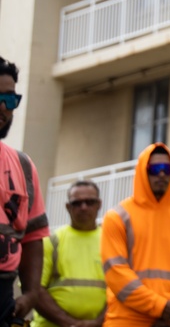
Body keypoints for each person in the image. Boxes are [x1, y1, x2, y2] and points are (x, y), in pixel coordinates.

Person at [101, 144, 170, 327]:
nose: (162, 174)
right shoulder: (117, 217)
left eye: (168, 169)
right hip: (128, 320)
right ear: (142, 171)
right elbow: (116, 272)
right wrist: (161, 307)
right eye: (155, 169)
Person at [0, 56, 48, 326]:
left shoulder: (23, 165)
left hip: (5, 296)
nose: (2, 107)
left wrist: (30, 294)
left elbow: (33, 236)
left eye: (9, 100)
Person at [35, 180, 106, 327]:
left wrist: (98, 322)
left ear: (99, 204)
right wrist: (70, 324)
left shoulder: (111, 242)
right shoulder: (51, 241)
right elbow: (34, 289)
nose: (83, 207)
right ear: (68, 207)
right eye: (76, 203)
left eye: (89, 202)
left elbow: (121, 289)